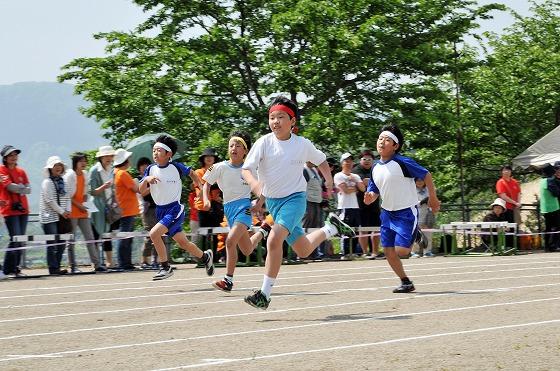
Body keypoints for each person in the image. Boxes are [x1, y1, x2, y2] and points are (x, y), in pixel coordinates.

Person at [241, 96, 357, 309]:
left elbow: (321, 160)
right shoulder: (263, 143)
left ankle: (264, 294)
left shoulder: (302, 144)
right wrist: (258, 190)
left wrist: (329, 180)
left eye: (281, 117)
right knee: (303, 249)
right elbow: (247, 169)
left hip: (294, 200)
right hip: (274, 204)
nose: (275, 121)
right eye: (272, 117)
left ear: (292, 121)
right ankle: (331, 228)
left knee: (274, 239)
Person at [364, 124, 440, 293]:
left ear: (395, 146)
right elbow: (374, 189)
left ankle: (416, 233)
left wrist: (433, 198)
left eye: (387, 140)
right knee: (388, 251)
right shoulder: (375, 168)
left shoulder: (402, 162)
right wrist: (370, 196)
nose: (382, 142)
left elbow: (426, 174)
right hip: (387, 214)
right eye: (380, 139)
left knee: (403, 251)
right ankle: (405, 282)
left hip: (406, 212)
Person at [139, 134, 215, 280]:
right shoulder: (150, 169)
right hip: (160, 211)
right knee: (183, 243)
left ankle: (165, 267)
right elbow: (141, 190)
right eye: (154, 150)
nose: (155, 153)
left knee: (154, 234)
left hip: (174, 209)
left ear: (169, 154)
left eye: (159, 150)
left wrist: (199, 187)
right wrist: (146, 180)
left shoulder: (176, 167)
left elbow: (193, 174)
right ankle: (205, 257)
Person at [202, 131, 269, 292]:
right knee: (246, 249)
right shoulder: (219, 167)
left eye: (238, 146)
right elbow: (206, 183)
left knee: (230, 241)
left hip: (244, 208)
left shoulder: (250, 169)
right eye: (231, 145)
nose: (234, 148)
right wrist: (206, 199)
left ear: (245, 151)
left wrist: (260, 203)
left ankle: (228, 280)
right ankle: (263, 232)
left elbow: (264, 188)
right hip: (229, 209)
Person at [64, 152, 105, 272]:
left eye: (85, 161)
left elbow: (85, 192)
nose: (84, 163)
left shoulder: (85, 174)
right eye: (81, 161)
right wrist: (80, 206)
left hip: (83, 211)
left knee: (90, 238)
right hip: (72, 211)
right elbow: (69, 197)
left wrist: (85, 202)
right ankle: (72, 266)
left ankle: (97, 264)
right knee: (71, 239)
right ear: (75, 163)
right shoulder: (70, 176)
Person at [0, 145, 31, 277]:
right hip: (9, 209)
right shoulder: (1, 170)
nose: (14, 157)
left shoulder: (21, 171)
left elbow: (29, 189)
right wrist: (21, 188)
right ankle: (8, 269)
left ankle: (15, 268)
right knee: (15, 239)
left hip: (23, 209)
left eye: (15, 154)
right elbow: (10, 187)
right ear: (5, 158)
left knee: (21, 239)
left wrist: (19, 188)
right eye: (11, 155)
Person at [40, 156, 72, 275]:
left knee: (62, 242)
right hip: (49, 217)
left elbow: (68, 197)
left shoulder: (64, 182)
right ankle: (53, 268)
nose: (58, 167)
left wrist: (68, 210)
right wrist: (62, 211)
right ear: (50, 168)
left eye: (60, 165)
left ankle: (57, 266)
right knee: (52, 243)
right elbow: (49, 200)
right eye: (55, 165)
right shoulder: (47, 182)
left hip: (62, 216)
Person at [89, 145, 117, 268]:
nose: (108, 158)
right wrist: (103, 187)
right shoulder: (94, 170)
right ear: (101, 157)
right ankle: (95, 262)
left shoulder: (112, 169)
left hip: (108, 205)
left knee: (108, 233)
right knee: (95, 233)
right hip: (96, 205)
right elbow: (92, 191)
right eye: (106, 156)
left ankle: (109, 261)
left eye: (110, 155)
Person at [352, 149, 383, 259]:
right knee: (363, 229)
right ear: (360, 160)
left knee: (376, 228)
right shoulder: (356, 170)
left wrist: (371, 181)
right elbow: (363, 183)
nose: (367, 161)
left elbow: (375, 181)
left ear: (373, 160)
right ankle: (365, 252)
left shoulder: (376, 169)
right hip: (361, 205)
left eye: (369, 159)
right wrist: (375, 181)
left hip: (374, 205)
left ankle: (375, 252)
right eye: (364, 159)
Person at [334, 152, 365, 259]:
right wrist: (355, 187)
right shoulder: (338, 175)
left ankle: (353, 252)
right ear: (342, 163)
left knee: (355, 229)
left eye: (350, 161)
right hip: (344, 206)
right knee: (345, 229)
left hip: (355, 207)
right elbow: (346, 190)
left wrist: (355, 185)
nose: (348, 163)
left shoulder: (355, 176)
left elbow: (363, 189)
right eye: (346, 161)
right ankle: (345, 253)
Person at [113, 148, 140, 270]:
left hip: (126, 209)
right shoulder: (123, 174)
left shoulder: (117, 172)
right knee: (125, 238)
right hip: (127, 210)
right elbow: (135, 188)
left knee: (127, 238)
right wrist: (137, 181)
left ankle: (126, 263)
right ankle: (123, 263)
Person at [195, 147, 224, 254]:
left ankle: (215, 257)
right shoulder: (198, 172)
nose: (209, 158)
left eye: (211, 156)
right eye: (206, 156)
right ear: (203, 159)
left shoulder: (217, 170)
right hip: (203, 206)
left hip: (216, 205)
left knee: (216, 233)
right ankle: (203, 257)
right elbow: (201, 186)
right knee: (203, 234)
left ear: (214, 158)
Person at [136, 157, 161, 268]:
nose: (145, 167)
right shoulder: (138, 179)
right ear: (139, 168)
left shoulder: (153, 178)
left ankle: (157, 260)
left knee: (160, 235)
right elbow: (142, 193)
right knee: (150, 236)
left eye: (147, 165)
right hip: (147, 210)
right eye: (142, 165)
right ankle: (144, 261)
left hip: (158, 208)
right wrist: (152, 186)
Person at [302, 161, 325, 260]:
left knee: (317, 227)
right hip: (307, 202)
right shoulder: (304, 170)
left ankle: (314, 252)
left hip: (317, 202)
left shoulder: (314, 170)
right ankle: (302, 253)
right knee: (306, 227)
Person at [410, 178, 436, 258]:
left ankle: (427, 251)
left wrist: (430, 201)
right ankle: (414, 252)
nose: (420, 182)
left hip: (427, 214)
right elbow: (410, 203)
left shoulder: (428, 189)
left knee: (428, 233)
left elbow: (434, 200)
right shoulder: (411, 190)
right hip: (416, 214)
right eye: (418, 180)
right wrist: (421, 202)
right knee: (416, 234)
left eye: (421, 180)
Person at [541, 163, 560, 252]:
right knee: (556, 226)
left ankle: (547, 246)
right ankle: (552, 245)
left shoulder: (542, 181)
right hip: (553, 207)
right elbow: (556, 193)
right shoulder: (550, 180)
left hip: (545, 207)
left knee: (548, 227)